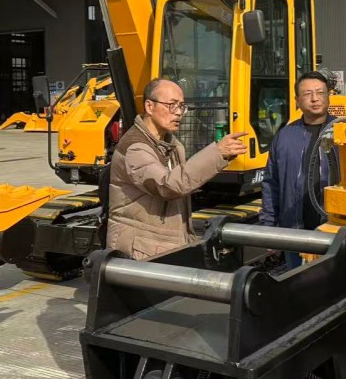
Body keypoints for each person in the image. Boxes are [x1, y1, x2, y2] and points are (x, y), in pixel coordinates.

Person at [106, 78, 248, 260]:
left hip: (163, 245)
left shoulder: (171, 144)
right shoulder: (135, 147)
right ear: (149, 106)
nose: (179, 113)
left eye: (181, 106)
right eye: (172, 105)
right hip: (142, 251)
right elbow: (168, 186)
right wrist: (216, 153)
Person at [259, 71, 337, 267]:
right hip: (294, 234)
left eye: (320, 93)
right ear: (297, 100)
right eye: (307, 94)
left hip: (336, 233)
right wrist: (268, 228)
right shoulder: (285, 136)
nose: (315, 99)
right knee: (297, 281)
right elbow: (271, 184)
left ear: (329, 96)